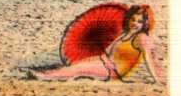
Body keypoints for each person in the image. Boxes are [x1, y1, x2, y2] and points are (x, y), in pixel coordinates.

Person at [31, 5, 164, 83]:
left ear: (146, 23)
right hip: (104, 63)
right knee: (78, 64)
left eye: (139, 22)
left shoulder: (141, 38)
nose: (134, 23)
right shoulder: (125, 34)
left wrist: (157, 80)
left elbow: (150, 60)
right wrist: (98, 59)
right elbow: (108, 51)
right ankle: (48, 71)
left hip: (112, 71)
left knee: (78, 69)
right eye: (133, 19)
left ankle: (45, 76)